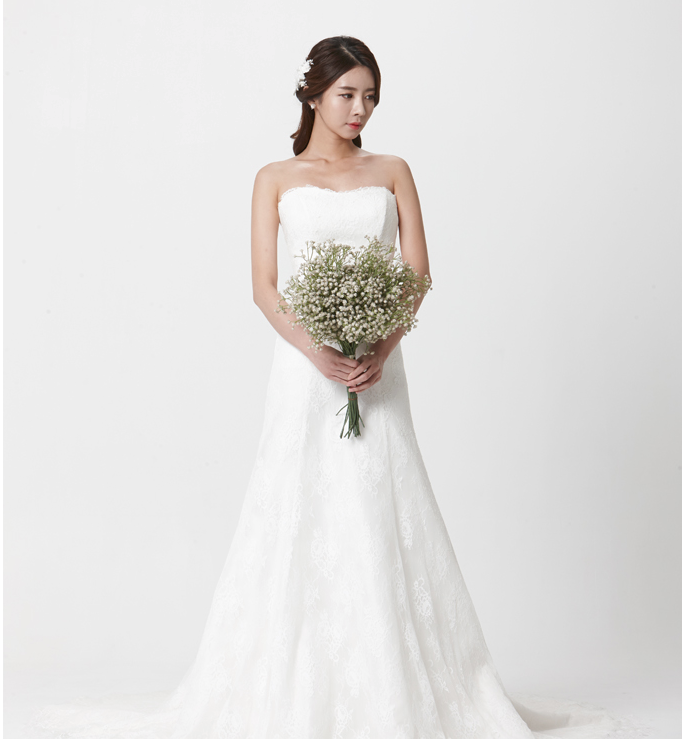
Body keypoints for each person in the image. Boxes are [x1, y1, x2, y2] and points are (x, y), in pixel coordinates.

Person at [20, 34, 648, 739]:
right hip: (304, 369)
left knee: (381, 500)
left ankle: (396, 684)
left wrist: (378, 347)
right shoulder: (274, 178)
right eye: (348, 94)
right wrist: (320, 353)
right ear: (313, 94)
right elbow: (264, 287)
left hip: (378, 367)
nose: (360, 110)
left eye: (371, 97)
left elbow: (416, 277)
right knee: (298, 503)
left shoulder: (393, 170)